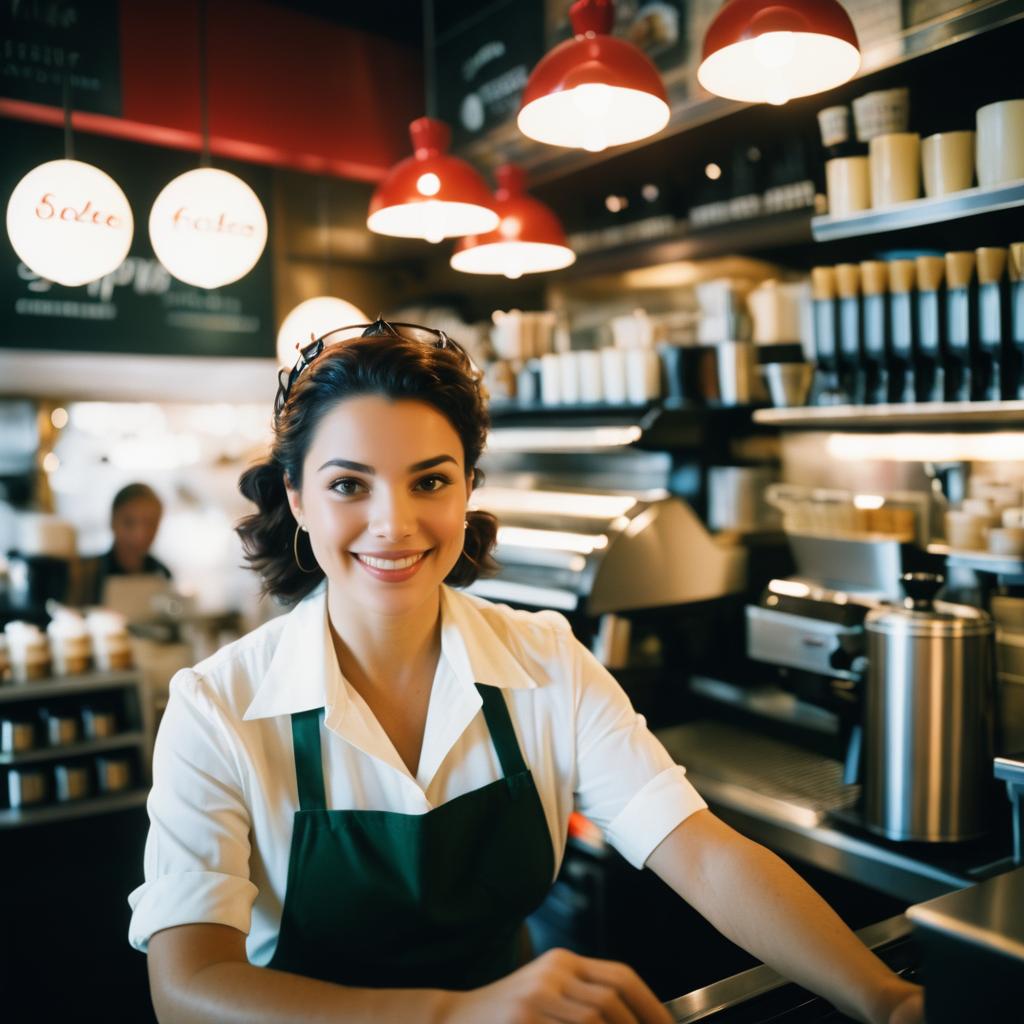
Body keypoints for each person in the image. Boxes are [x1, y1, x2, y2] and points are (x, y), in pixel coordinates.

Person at [128, 320, 924, 1024]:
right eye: (347, 485)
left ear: (469, 488)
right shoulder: (217, 709)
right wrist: (454, 1016)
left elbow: (703, 854)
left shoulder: (545, 659)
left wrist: (886, 999)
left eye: (430, 481)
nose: (394, 524)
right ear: (297, 498)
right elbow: (191, 987)